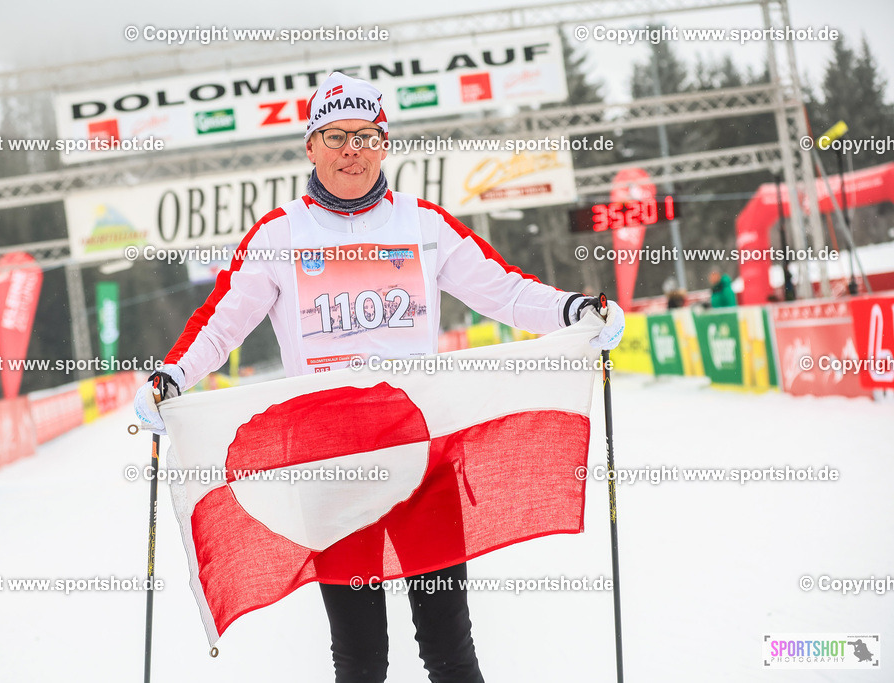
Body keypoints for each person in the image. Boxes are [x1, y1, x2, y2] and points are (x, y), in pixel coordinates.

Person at [134, 71, 625, 683]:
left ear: (384, 144)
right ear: (311, 147)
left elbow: (503, 292)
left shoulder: (423, 224)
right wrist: (172, 376)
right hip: (330, 468)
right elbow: (220, 324)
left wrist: (574, 311)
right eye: (336, 136)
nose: (352, 151)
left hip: (423, 458)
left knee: (450, 646)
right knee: (360, 656)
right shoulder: (280, 234)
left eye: (365, 136)